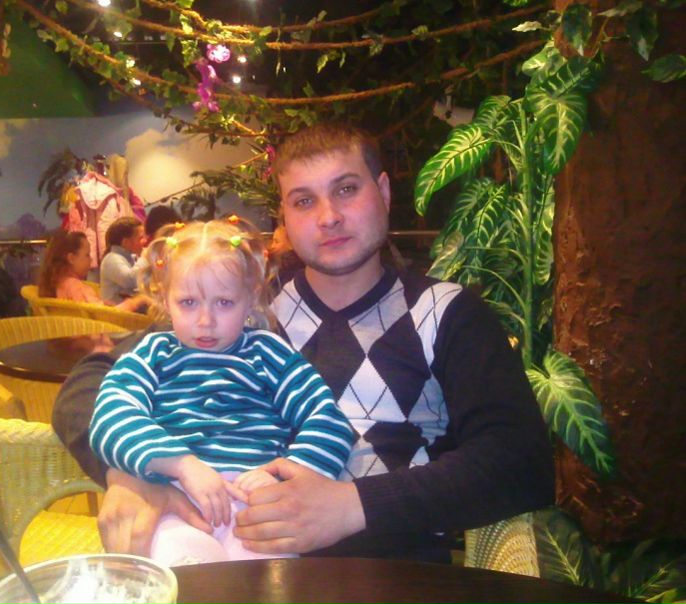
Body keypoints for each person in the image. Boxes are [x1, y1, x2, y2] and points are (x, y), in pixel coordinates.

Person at [52, 122, 554, 561]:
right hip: (233, 557)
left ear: (383, 191)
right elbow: (90, 383)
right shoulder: (238, 308)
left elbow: (520, 461)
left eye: (346, 189)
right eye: (304, 200)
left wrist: (351, 506)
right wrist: (133, 474)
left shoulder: (446, 312)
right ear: (285, 217)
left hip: (395, 574)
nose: (328, 216)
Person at [89, 217, 354, 565]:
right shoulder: (152, 354)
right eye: (188, 302)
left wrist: (287, 472)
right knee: (181, 570)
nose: (205, 321)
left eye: (224, 303)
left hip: (256, 506)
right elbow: (111, 416)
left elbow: (328, 419)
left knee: (270, 580)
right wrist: (181, 464)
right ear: (165, 299)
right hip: (175, 499)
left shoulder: (269, 353)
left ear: (251, 299)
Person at [38, 230, 148, 312]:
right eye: (87, 255)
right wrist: (136, 302)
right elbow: (105, 315)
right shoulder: (76, 288)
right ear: (71, 258)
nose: (91, 259)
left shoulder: (57, 283)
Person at [99, 217, 148, 305]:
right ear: (126, 242)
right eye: (140, 238)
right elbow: (130, 281)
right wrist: (144, 258)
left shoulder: (131, 257)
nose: (145, 241)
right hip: (116, 311)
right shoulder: (111, 259)